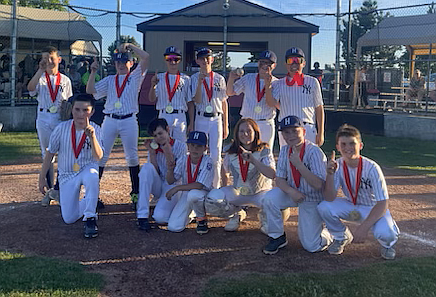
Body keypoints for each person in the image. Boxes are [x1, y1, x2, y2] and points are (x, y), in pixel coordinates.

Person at [317, 124, 399, 260]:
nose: (347, 148)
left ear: (360, 145)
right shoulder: (337, 165)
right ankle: (341, 237)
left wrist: (364, 227)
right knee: (324, 206)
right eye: (343, 144)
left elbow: (383, 203)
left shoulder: (372, 168)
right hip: (352, 204)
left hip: (373, 208)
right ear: (337, 147)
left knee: (387, 234)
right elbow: (329, 197)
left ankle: (387, 245)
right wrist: (330, 174)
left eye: (352, 143)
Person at [86, 43, 149, 208]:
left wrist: (129, 46)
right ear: (114, 64)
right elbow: (91, 90)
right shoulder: (109, 80)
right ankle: (93, 196)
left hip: (129, 119)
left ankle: (136, 194)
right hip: (110, 119)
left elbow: (146, 57)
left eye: (125, 61)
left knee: (132, 156)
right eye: (118, 62)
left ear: (131, 63)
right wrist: (93, 71)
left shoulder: (135, 76)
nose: (121, 65)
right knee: (101, 156)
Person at [190, 118, 276, 234]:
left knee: (275, 202)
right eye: (241, 131)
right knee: (213, 199)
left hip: (259, 193)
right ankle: (236, 214)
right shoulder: (231, 152)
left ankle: (265, 217)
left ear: (255, 133)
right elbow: (224, 171)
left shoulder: (264, 150)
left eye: (249, 131)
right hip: (239, 192)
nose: (245, 134)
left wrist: (254, 161)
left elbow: (272, 174)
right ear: (236, 134)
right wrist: (224, 191)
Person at [262, 115, 332, 255]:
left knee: (311, 246)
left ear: (304, 131)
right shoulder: (284, 150)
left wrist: (299, 165)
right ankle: (277, 237)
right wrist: (291, 191)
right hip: (294, 193)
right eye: (286, 132)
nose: (291, 135)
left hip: (313, 198)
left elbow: (319, 185)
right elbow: (279, 179)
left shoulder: (314, 152)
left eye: (295, 131)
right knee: (269, 198)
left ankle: (332, 233)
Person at [38, 94, 103, 238]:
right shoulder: (61, 128)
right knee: (69, 218)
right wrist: (42, 177)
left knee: (93, 175)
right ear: (71, 110)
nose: (81, 114)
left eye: (85, 110)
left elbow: (98, 157)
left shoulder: (96, 129)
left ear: (92, 112)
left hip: (86, 168)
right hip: (67, 174)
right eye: (77, 110)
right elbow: (50, 154)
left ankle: (90, 218)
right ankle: (89, 201)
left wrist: (92, 137)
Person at [27, 46, 73, 206]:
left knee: (64, 153)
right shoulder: (40, 77)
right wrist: (40, 70)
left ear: (59, 59)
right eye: (45, 58)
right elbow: (30, 89)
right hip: (44, 117)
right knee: (47, 154)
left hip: (59, 118)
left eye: (51, 57)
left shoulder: (65, 80)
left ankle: (60, 189)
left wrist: (68, 115)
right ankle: (48, 191)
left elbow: (69, 102)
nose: (48, 61)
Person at [266, 47, 324, 147]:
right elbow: (271, 103)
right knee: (287, 160)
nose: (294, 64)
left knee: (309, 160)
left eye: (298, 61)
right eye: (290, 61)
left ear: (304, 63)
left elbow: (319, 108)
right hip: (286, 129)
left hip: (307, 128)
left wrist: (321, 133)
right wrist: (268, 86)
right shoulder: (279, 83)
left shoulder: (313, 82)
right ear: (285, 64)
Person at [136, 118, 187, 231]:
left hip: (173, 186)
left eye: (160, 133)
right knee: (146, 168)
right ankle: (142, 216)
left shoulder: (181, 147)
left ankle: (183, 212)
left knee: (160, 218)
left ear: (167, 130)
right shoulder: (155, 146)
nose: (158, 138)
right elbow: (155, 172)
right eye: (155, 136)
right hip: (160, 184)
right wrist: (152, 153)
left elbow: (173, 179)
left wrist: (169, 155)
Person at [189, 47, 229, 188]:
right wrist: (200, 83)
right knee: (200, 152)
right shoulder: (193, 79)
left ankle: (215, 186)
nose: (205, 60)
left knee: (216, 154)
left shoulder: (219, 78)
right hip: (201, 118)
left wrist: (226, 124)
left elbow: (224, 102)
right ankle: (201, 183)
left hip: (216, 118)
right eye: (202, 58)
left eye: (208, 58)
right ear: (197, 61)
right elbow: (197, 101)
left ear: (212, 59)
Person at [227, 50, 279, 150]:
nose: (265, 65)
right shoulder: (248, 78)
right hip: (248, 122)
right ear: (258, 63)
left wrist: (268, 86)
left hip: (265, 123)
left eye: (268, 63)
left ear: (274, 65)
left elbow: (270, 102)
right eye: (262, 62)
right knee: (245, 152)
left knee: (265, 153)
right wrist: (231, 79)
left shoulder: (277, 83)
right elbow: (230, 92)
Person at [165, 131, 214, 232]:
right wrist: (170, 170)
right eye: (192, 145)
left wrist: (177, 188)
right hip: (187, 194)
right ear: (188, 146)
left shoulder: (208, 161)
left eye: (199, 146)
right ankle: (192, 213)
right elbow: (170, 181)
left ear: (205, 148)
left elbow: (200, 185)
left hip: (205, 194)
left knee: (194, 194)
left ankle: (201, 219)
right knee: (174, 227)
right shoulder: (183, 159)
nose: (195, 148)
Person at [149, 46, 192, 142]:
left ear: (180, 60)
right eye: (169, 59)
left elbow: (190, 102)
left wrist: (191, 123)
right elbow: (151, 99)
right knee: (163, 143)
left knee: (181, 145)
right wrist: (152, 85)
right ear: (165, 60)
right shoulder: (159, 78)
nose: (172, 62)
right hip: (163, 114)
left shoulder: (186, 79)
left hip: (180, 115)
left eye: (176, 59)